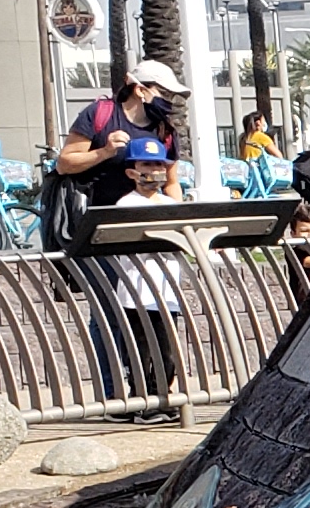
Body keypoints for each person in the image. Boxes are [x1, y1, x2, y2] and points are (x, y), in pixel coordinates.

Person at [88, 133, 199, 418]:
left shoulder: (171, 206)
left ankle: (163, 397)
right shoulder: (126, 205)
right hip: (137, 294)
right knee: (140, 350)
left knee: (167, 352)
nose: (153, 171)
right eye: (146, 165)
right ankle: (143, 400)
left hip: (166, 293)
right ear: (132, 172)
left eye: (158, 165)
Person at [51, 57, 186, 232]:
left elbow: (171, 183)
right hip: (91, 223)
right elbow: (64, 165)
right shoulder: (100, 114)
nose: (170, 102)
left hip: (143, 224)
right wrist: (105, 152)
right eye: (165, 94)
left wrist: (180, 221)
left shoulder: (164, 129)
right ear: (140, 90)